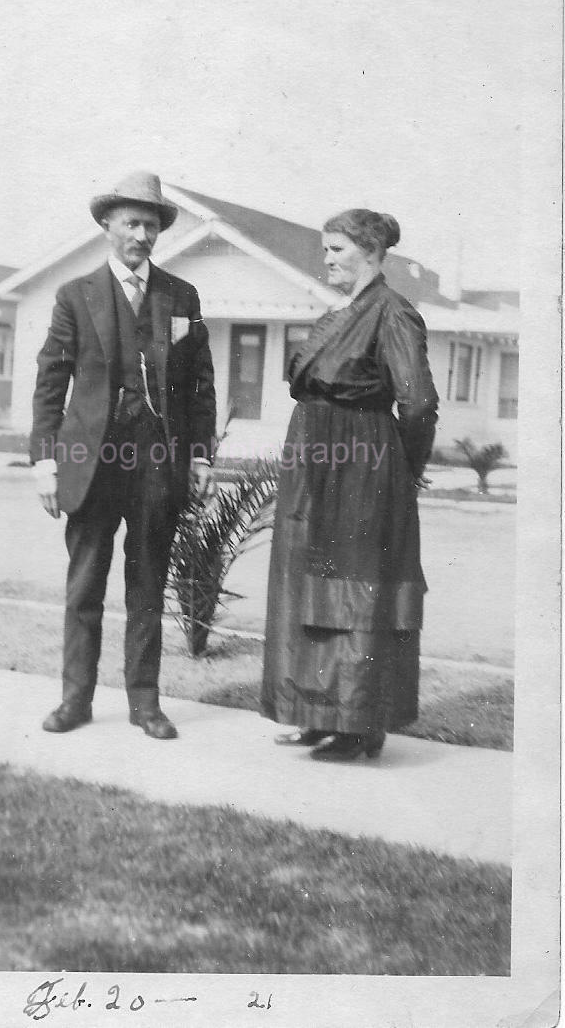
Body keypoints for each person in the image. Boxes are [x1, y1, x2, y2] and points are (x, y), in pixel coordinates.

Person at [31, 171, 216, 738]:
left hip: (157, 462)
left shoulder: (180, 296)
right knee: (85, 585)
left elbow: (201, 385)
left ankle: (145, 702)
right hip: (91, 462)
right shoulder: (74, 295)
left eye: (151, 224)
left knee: (146, 585)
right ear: (107, 226)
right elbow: (49, 383)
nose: (141, 233)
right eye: (131, 222)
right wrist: (44, 462)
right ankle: (75, 700)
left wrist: (201, 458)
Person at [260, 208, 438, 760]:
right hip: (314, 464)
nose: (328, 258)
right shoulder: (342, 312)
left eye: (337, 248)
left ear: (371, 253)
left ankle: (360, 724)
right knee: (306, 586)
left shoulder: (392, 313)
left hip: (362, 467)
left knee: (355, 594)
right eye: (327, 248)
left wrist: (400, 471)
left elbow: (418, 403)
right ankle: (315, 712)